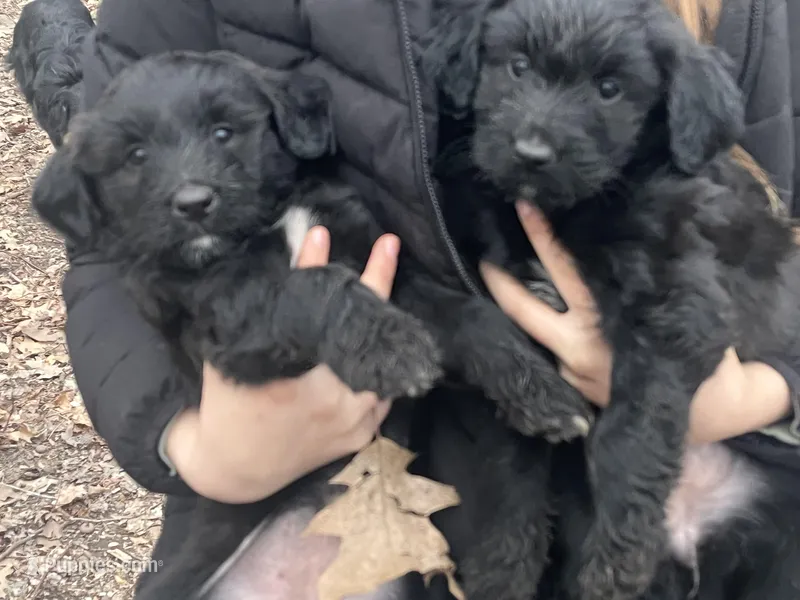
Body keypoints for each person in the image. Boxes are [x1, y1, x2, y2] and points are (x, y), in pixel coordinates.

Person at [63, 0, 799, 595]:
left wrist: (766, 393)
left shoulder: (739, 22)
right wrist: (192, 442)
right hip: (305, 488)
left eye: (606, 89)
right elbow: (104, 230)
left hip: (676, 489)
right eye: (509, 70)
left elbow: (766, 218)